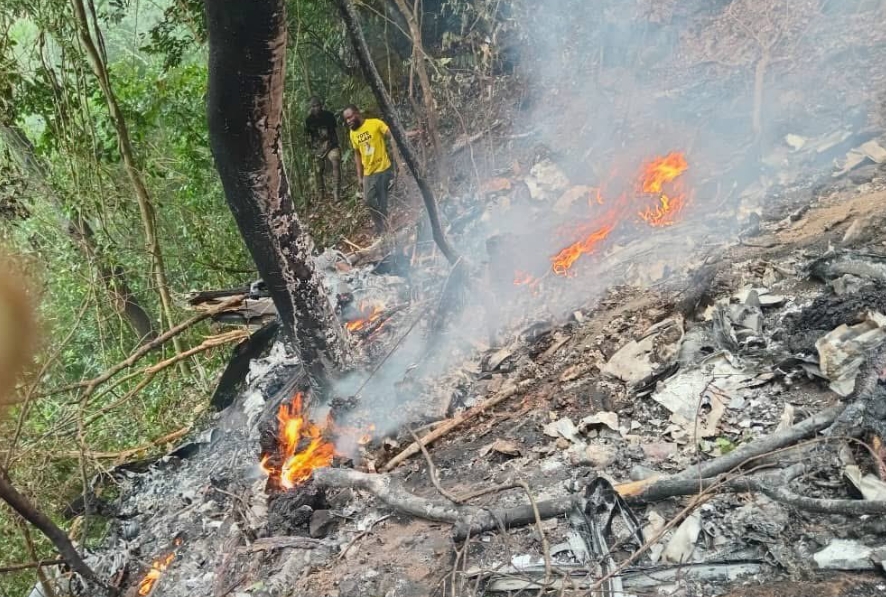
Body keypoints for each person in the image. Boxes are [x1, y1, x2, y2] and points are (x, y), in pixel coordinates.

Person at [342, 104, 395, 234]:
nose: (348, 121)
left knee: (383, 200)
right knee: (368, 200)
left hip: (382, 168)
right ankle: (380, 227)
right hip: (368, 173)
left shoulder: (375, 123)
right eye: (346, 119)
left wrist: (408, 134)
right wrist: (360, 177)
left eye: (350, 117)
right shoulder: (353, 133)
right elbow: (357, 154)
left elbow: (392, 135)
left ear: (357, 113)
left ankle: (385, 227)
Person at [304, 97, 342, 203]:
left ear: (321, 105)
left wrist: (334, 144)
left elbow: (335, 131)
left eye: (318, 105)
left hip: (331, 145)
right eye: (314, 106)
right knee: (318, 170)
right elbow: (308, 137)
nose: (316, 108)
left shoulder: (329, 116)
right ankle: (321, 194)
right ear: (311, 108)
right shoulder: (309, 120)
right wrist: (313, 149)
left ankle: (336, 193)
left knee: (335, 162)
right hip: (318, 148)